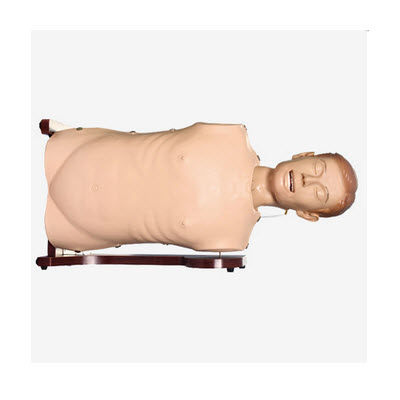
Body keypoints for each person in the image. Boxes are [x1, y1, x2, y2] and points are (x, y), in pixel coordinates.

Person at [41, 120, 357, 253]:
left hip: (71, 226)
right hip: (70, 152)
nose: (308, 180)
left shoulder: (233, 239)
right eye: (317, 169)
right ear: (304, 156)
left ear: (307, 214)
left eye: (319, 193)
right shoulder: (231, 135)